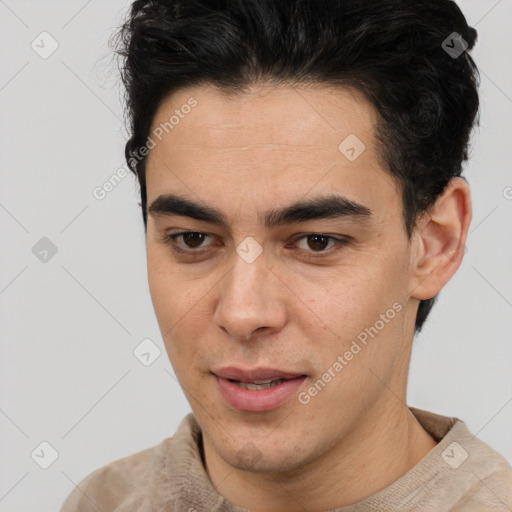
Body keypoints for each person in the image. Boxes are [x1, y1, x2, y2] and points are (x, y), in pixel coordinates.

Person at [60, 0, 512, 510]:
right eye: (193, 239)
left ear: (435, 242)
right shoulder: (102, 501)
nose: (242, 313)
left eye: (316, 241)